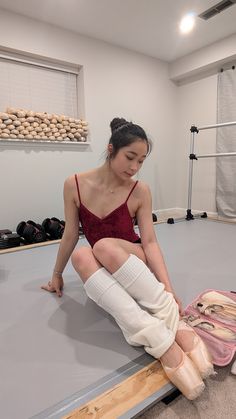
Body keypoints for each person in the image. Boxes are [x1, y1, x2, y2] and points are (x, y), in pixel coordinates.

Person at [42, 117, 214, 399]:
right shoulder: (73, 184)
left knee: (104, 246)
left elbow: (149, 242)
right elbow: (71, 233)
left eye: (141, 161)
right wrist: (57, 275)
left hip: (130, 257)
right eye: (129, 157)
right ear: (111, 149)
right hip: (102, 258)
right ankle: (159, 340)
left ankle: (169, 316)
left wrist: (168, 289)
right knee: (83, 255)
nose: (134, 167)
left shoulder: (140, 190)